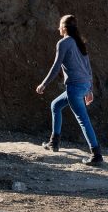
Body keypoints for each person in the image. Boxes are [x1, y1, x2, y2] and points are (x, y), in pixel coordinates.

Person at [35, 14, 103, 166]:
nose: (58, 28)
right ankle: (54, 142)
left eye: (59, 25)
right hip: (83, 86)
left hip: (75, 88)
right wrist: (90, 89)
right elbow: (88, 68)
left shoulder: (63, 43)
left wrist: (44, 84)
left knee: (83, 120)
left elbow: (56, 66)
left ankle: (96, 154)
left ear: (64, 28)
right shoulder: (80, 43)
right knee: (55, 105)